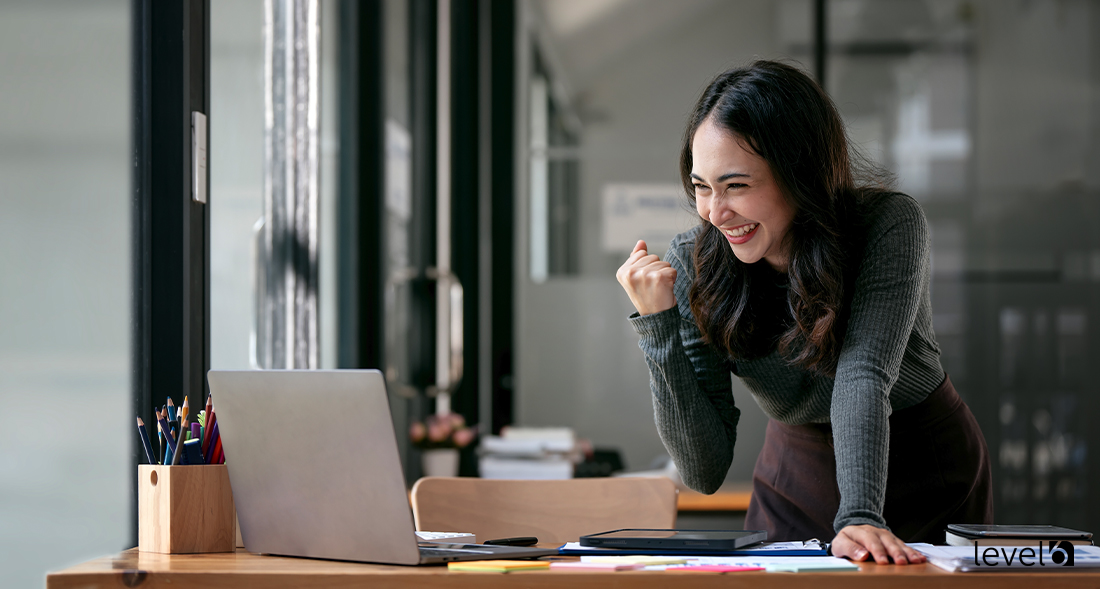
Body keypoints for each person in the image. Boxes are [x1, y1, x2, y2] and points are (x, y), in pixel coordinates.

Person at [616, 60, 992, 565]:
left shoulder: (887, 224)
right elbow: (703, 472)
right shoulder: (696, 261)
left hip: (922, 460)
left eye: (737, 186)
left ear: (800, 174)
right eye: (702, 186)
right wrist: (658, 326)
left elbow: (862, 373)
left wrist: (859, 515)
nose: (714, 212)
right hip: (794, 471)